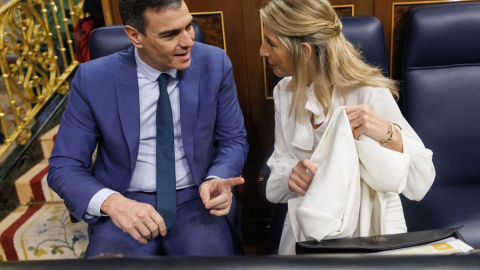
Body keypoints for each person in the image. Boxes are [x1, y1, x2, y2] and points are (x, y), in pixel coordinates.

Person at [48, 0, 249, 257]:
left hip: (197, 202)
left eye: (188, 26)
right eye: (170, 34)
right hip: (125, 202)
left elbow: (233, 139)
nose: (188, 41)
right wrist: (113, 203)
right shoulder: (93, 79)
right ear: (135, 36)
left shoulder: (215, 63)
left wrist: (217, 177)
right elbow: (64, 165)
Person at [259, 0, 435, 254]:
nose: (262, 51)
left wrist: (389, 134)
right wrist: (290, 177)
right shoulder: (284, 93)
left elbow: (422, 179)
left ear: (305, 51)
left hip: (369, 234)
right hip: (310, 226)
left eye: (271, 43)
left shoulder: (369, 93)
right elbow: (275, 182)